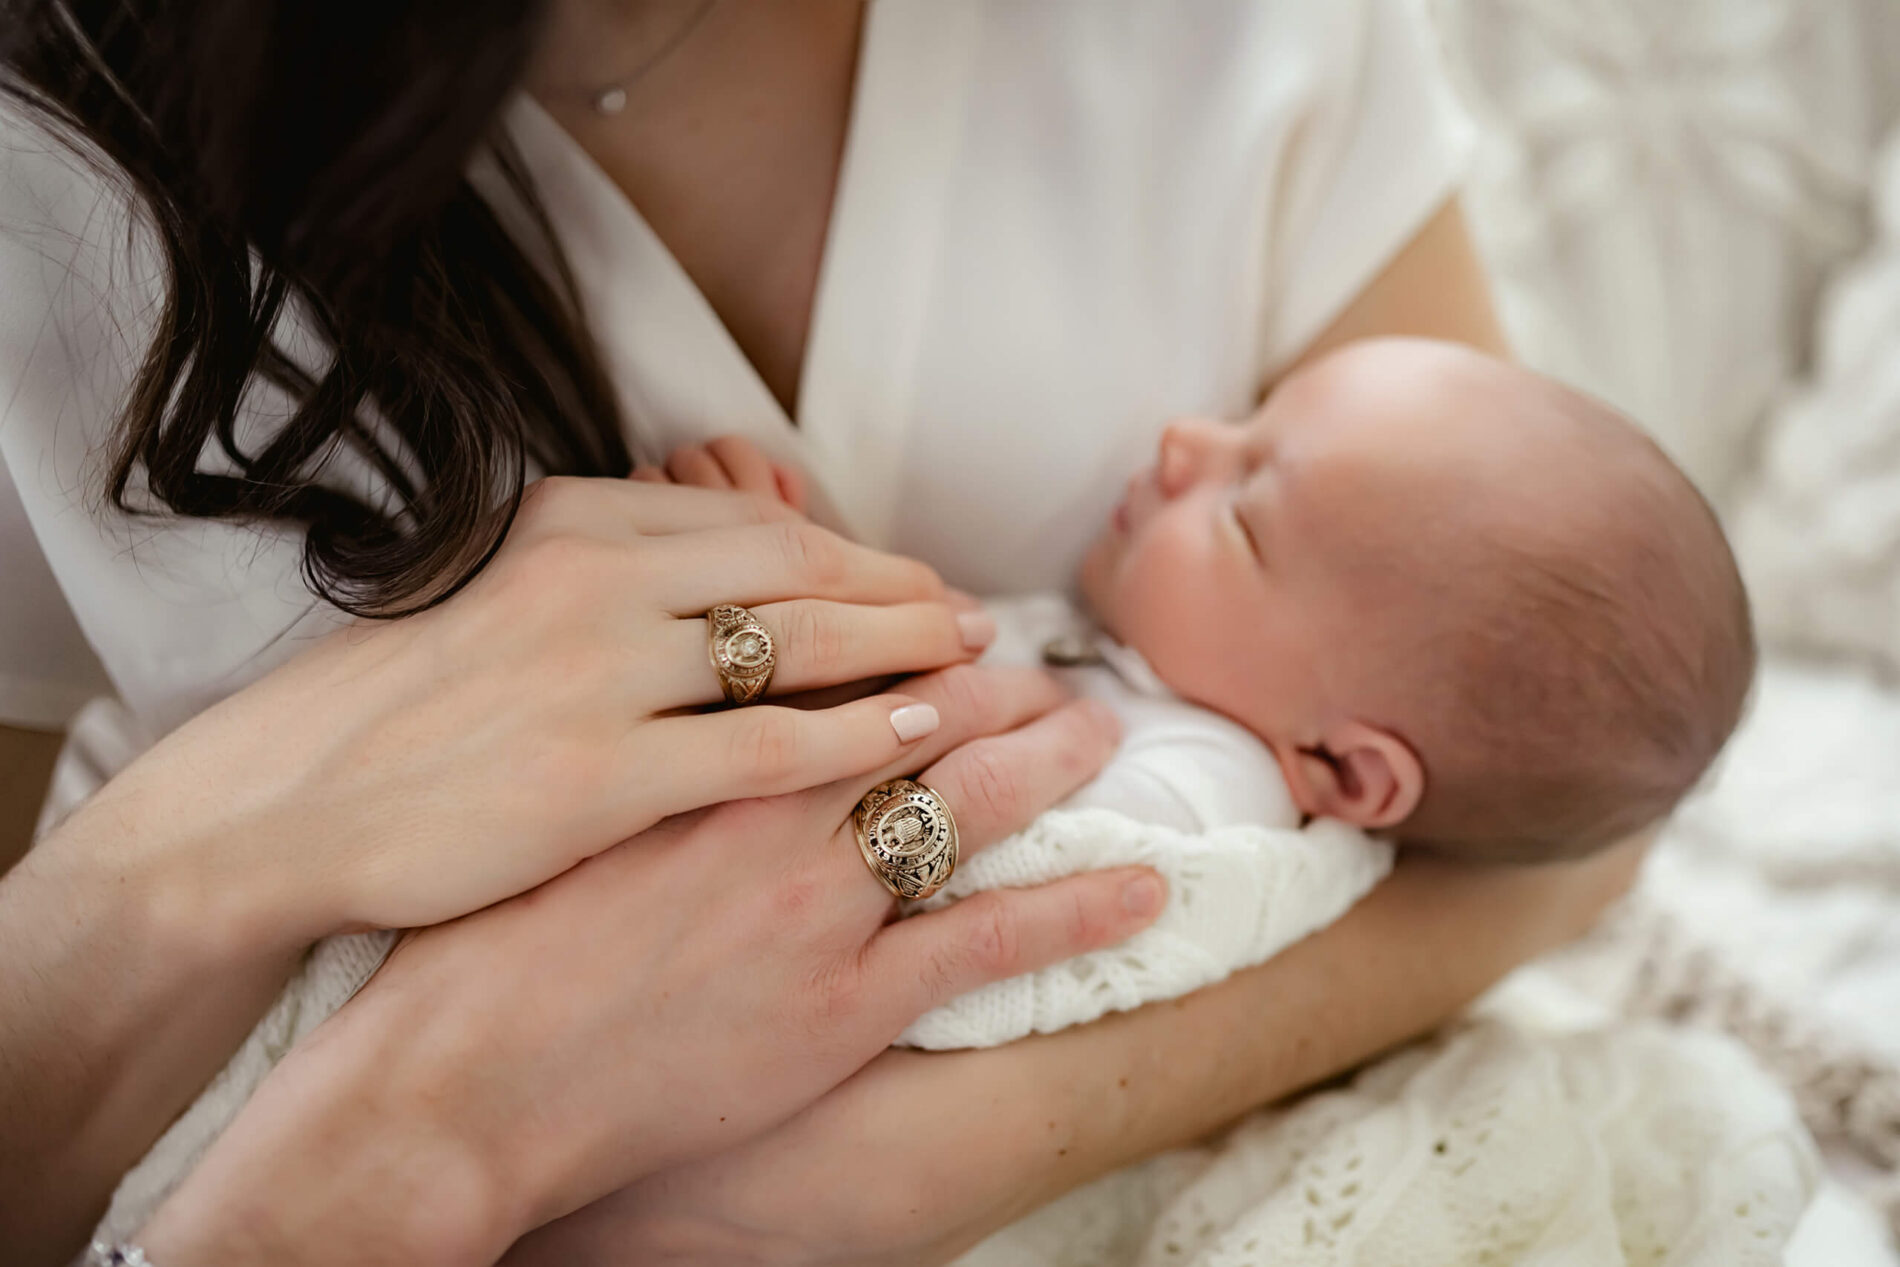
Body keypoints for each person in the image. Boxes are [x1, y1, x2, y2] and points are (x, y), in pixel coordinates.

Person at [0, 1, 1646, 1263]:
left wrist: (937, 1157)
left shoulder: (1223, 780)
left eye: (1254, 501)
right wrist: (215, 869)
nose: (1188, 442)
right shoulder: (56, 159)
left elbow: (1559, 813)